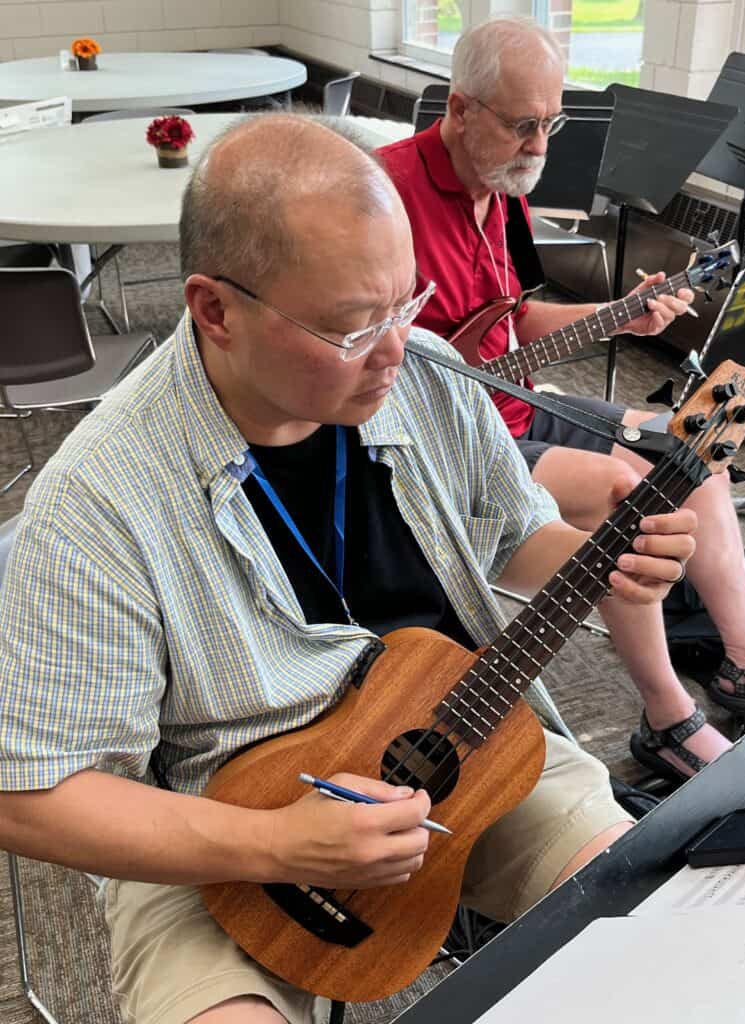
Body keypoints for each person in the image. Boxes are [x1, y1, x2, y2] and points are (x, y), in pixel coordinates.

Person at [0, 114, 696, 1024]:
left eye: (405, 303)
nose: (398, 351)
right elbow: (32, 798)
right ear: (215, 309)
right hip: (213, 812)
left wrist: (607, 567)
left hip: (462, 743)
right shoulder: (97, 501)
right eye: (351, 327)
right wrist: (278, 842)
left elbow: (508, 539)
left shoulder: (428, 374)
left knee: (648, 948)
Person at [375, 15, 745, 780]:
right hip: (440, 447)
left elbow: (514, 324)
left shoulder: (506, 193)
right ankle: (668, 721)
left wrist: (622, 311)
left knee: (695, 445)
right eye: (524, 126)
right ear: (459, 110)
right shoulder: (385, 201)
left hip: (513, 405)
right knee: (632, 494)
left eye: (551, 123)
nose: (540, 148)